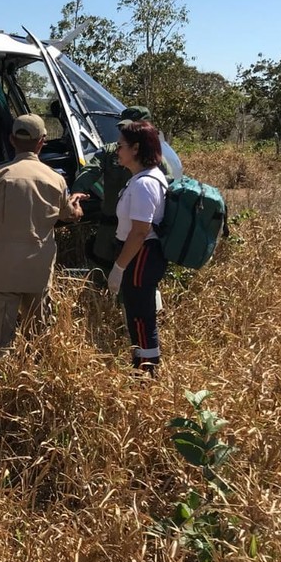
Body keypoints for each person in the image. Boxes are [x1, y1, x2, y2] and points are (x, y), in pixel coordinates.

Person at [0, 114, 85, 346]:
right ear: (42, 141)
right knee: (37, 336)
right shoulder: (56, 179)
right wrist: (76, 206)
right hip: (38, 270)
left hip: (3, 269)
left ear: (12, 140)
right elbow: (68, 215)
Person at [72, 106, 169, 276]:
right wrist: (77, 191)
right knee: (100, 270)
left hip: (139, 234)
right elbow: (91, 171)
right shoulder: (110, 152)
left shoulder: (155, 164)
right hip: (109, 227)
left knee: (133, 276)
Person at [109, 119, 169, 376]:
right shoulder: (143, 178)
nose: (117, 151)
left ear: (135, 149)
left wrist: (119, 267)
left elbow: (140, 231)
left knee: (142, 315)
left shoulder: (145, 184)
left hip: (141, 254)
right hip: (140, 253)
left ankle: (147, 372)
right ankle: (141, 366)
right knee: (136, 313)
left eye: (120, 145)